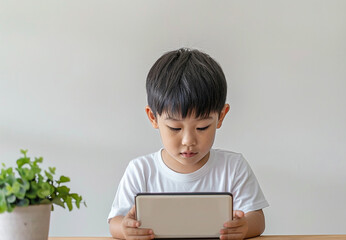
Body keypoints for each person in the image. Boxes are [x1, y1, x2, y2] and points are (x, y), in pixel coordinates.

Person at [108, 48, 269, 240]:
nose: (188, 141)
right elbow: (115, 222)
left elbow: (257, 220)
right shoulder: (141, 170)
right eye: (175, 128)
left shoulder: (233, 167)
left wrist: (244, 227)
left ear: (221, 116)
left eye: (202, 127)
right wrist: (126, 230)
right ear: (153, 117)